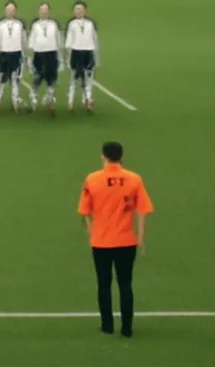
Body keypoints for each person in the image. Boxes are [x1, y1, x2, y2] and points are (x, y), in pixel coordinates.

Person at [78, 141, 154, 338]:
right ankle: (127, 328)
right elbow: (143, 211)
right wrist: (141, 238)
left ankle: (107, 325)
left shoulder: (92, 179)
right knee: (125, 283)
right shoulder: (134, 179)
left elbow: (84, 211)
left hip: (101, 242)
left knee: (104, 284)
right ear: (121, 157)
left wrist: (90, 230)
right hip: (126, 241)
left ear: (103, 156)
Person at [28, 1, 62, 115]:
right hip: (39, 54)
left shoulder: (54, 24)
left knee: (51, 78)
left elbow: (59, 41)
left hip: (51, 54)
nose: (44, 12)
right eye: (42, 10)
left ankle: (50, 99)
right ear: (39, 12)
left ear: (49, 12)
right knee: (38, 77)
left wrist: (60, 57)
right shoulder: (35, 25)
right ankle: (33, 98)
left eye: (46, 10)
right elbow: (31, 42)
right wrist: (29, 57)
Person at [0, 0, 27, 113]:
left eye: (12, 10)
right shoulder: (1, 24)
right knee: (3, 78)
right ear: (5, 11)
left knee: (15, 79)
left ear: (15, 11)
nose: (10, 12)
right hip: (4, 54)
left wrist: (25, 55)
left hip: (16, 54)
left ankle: (15, 101)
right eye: (8, 10)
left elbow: (23, 41)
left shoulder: (19, 24)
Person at [66, 1, 99, 113]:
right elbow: (69, 41)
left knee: (88, 78)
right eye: (76, 9)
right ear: (74, 11)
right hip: (76, 53)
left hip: (88, 53)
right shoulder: (71, 24)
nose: (78, 11)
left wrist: (95, 55)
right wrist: (68, 56)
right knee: (74, 79)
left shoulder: (90, 23)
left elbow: (95, 39)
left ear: (85, 10)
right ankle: (70, 101)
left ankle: (88, 100)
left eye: (80, 9)